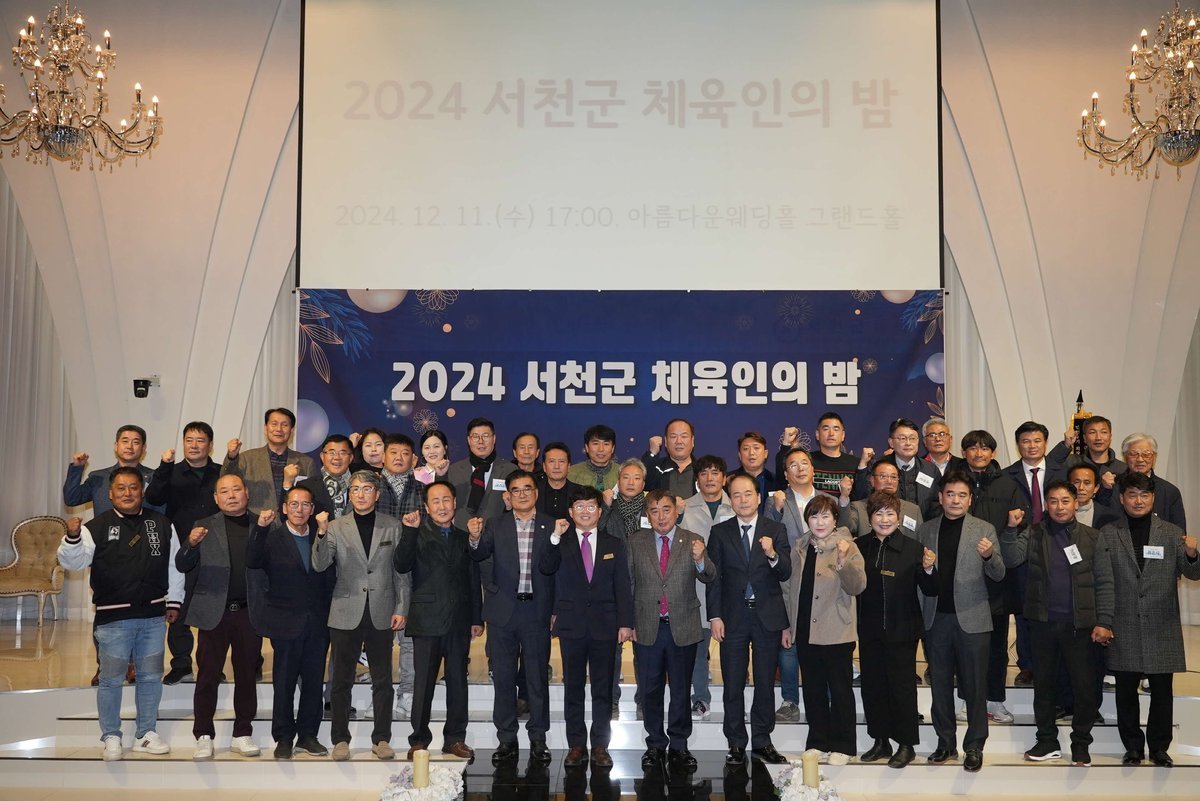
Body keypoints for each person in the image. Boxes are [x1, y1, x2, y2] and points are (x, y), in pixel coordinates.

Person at [58, 467, 183, 761]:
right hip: (113, 619)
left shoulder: (161, 523)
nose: (128, 493)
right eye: (121, 488)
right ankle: (111, 735)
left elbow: (175, 565)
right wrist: (72, 538)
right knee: (111, 679)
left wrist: (175, 601)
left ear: (142, 491)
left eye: (133, 488)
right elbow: (74, 564)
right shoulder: (96, 526)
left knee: (150, 677)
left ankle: (146, 733)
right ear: (111, 493)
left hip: (153, 617)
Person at [999, 480, 1114, 767]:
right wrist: (1011, 529)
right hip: (1043, 624)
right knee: (1044, 688)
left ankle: (1081, 743)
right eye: (1053, 501)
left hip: (1082, 626)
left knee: (1085, 688)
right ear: (1045, 505)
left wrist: (1104, 621)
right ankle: (1047, 740)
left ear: (1076, 503)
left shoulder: (1093, 537)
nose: (1059, 507)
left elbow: (1105, 582)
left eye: (1065, 500)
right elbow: (1011, 558)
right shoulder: (1033, 532)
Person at [1100, 471, 1200, 767]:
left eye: (1144, 495)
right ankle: (1132, 747)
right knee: (1126, 692)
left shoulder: (1171, 532)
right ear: (1122, 498)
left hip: (1162, 624)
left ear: (1153, 498)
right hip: (1124, 623)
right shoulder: (1109, 533)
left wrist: (1192, 553)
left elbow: (1193, 573)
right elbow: (1104, 580)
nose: (1138, 501)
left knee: (1162, 692)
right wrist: (1105, 620)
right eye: (1132, 495)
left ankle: (1159, 748)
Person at [312, 470, 408, 761]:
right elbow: (319, 564)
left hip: (382, 611)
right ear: (349, 494)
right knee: (341, 681)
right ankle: (340, 739)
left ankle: (382, 739)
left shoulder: (393, 526)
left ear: (377, 495)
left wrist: (401, 608)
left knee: (383, 681)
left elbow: (401, 573)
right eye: (355, 489)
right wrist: (320, 532)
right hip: (345, 611)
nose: (361, 494)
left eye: (367, 489)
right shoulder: (335, 527)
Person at [466, 470, 558, 767]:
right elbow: (479, 555)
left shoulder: (551, 525)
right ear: (508, 496)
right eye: (515, 490)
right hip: (503, 613)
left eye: (527, 488)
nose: (522, 494)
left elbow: (557, 571)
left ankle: (538, 738)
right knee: (503, 679)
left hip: (536, 612)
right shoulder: (495, 524)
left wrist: (554, 609)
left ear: (536, 493)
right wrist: (474, 537)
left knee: (536, 679)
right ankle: (506, 738)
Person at [916, 472, 1005, 773]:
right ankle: (945, 743)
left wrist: (989, 555)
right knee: (939, 684)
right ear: (941, 498)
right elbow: (919, 576)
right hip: (936, 618)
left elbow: (999, 574)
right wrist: (926, 570)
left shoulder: (984, 529)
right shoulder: (926, 530)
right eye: (950, 494)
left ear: (970, 499)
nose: (955, 500)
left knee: (976, 686)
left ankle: (975, 746)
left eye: (962, 495)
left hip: (974, 620)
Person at [540, 486, 634, 769]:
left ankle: (601, 745)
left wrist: (625, 622)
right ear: (571, 512)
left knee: (603, 689)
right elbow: (546, 569)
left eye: (591, 506)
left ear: (599, 511)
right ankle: (577, 745)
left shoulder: (613, 543)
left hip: (606, 625)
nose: (585, 511)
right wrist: (554, 537)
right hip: (572, 625)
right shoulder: (560, 541)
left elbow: (623, 585)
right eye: (579, 506)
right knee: (574, 688)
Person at [175, 474, 266, 759]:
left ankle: (242, 733)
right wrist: (190, 544)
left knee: (247, 675)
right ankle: (203, 734)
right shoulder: (203, 526)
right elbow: (182, 564)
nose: (231, 495)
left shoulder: (262, 524)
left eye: (236, 489)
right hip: (214, 612)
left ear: (246, 493)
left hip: (249, 613)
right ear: (216, 498)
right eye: (224, 491)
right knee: (208, 675)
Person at [707, 473, 792, 766]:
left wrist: (772, 554)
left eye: (748, 494)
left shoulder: (776, 529)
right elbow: (714, 578)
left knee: (765, 682)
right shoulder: (720, 532)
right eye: (736, 495)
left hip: (767, 616)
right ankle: (735, 742)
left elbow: (785, 572)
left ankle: (762, 740)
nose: (742, 500)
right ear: (730, 500)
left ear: (758, 497)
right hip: (733, 617)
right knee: (733, 683)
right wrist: (715, 616)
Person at [246, 487, 336, 759]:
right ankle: (283, 737)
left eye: (305, 504)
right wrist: (261, 529)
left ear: (312, 510)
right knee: (283, 683)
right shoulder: (272, 537)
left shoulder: (323, 536)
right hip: (285, 622)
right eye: (294, 504)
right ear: (284, 508)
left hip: (317, 622)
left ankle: (308, 735)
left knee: (313, 682)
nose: (299, 509)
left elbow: (330, 576)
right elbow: (252, 560)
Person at [628, 490, 715, 772]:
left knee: (680, 689)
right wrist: (628, 623)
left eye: (666, 510)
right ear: (647, 515)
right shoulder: (635, 541)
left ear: (676, 512)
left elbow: (709, 575)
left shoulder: (692, 539)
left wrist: (700, 559)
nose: (661, 516)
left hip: (683, 626)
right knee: (650, 689)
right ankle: (655, 744)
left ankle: (679, 745)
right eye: (654, 511)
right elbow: (628, 583)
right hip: (647, 627)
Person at [396, 482, 483, 762]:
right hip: (426, 621)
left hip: (458, 621)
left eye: (447, 499)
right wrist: (410, 532)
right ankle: (418, 740)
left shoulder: (464, 538)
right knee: (423, 684)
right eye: (436, 501)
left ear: (455, 503)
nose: (442, 506)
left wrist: (476, 617)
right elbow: (401, 564)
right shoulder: (415, 532)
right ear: (426, 506)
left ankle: (455, 739)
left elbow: (473, 580)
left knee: (458, 682)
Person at [854, 492, 937, 769]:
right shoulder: (859, 547)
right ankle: (880, 740)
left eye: (890, 513)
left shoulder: (914, 549)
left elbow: (931, 589)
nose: (884, 519)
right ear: (870, 518)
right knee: (873, 686)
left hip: (903, 629)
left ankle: (906, 744)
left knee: (902, 688)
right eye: (878, 514)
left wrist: (929, 569)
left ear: (899, 517)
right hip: (869, 629)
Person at [782, 494, 866, 765]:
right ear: (807, 520)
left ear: (835, 520)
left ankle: (844, 745)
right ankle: (818, 741)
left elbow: (857, 586)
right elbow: (789, 590)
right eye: (814, 516)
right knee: (813, 689)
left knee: (840, 690)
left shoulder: (847, 546)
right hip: (805, 630)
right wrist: (788, 625)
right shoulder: (800, 546)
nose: (819, 522)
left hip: (836, 631)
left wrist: (842, 560)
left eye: (825, 516)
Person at [146, 421, 221, 685]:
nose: (194, 445)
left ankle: (211, 666)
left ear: (210, 445)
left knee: (213, 609)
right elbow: (153, 497)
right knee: (179, 607)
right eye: (189, 440)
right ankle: (181, 664)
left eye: (200, 440)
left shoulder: (221, 473)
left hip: (215, 549)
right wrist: (164, 466)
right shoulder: (172, 471)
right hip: (180, 549)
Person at [960, 429, 1028, 719]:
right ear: (964, 452)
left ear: (993, 453)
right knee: (965, 643)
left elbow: (1021, 525)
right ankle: (967, 699)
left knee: (997, 643)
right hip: (962, 575)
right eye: (973, 448)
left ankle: (995, 699)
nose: (979, 453)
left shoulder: (1008, 485)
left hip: (997, 576)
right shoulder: (954, 481)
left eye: (985, 448)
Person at [1003, 422, 1065, 687]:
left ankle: (1057, 663)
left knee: (1058, 607)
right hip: (1022, 548)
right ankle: (1027, 665)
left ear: (1045, 443)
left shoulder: (1062, 472)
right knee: (1024, 609)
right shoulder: (1006, 476)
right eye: (1026, 441)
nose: (1031, 446)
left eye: (1037, 440)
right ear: (1018, 444)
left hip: (1058, 544)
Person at [764, 447, 820, 722]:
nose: (800, 468)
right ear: (786, 474)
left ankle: (821, 698)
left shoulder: (828, 500)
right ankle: (789, 701)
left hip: (823, 580)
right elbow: (766, 533)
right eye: (793, 465)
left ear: (813, 469)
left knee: (820, 642)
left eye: (804, 463)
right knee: (788, 642)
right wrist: (775, 510)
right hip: (788, 579)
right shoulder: (776, 500)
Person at [679, 455, 735, 723]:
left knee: (733, 651)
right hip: (697, 590)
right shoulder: (683, 508)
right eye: (704, 473)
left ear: (724, 478)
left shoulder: (737, 504)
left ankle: (734, 701)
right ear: (697, 479)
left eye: (715, 472)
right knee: (698, 651)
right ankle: (700, 699)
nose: (710, 478)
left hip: (733, 590)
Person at [601, 458, 647, 715]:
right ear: (618, 481)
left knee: (645, 648)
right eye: (626, 477)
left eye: (636, 478)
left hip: (645, 586)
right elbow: (595, 533)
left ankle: (645, 700)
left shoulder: (652, 508)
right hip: (612, 587)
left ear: (644, 483)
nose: (631, 482)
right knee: (612, 649)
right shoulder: (608, 507)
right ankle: (610, 700)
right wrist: (605, 507)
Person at [222, 408, 317, 513]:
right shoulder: (247, 458)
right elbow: (225, 481)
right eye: (274, 424)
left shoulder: (306, 463)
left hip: (293, 521)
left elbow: (312, 498)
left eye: (284, 425)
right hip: (256, 520)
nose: (279, 429)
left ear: (292, 430)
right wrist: (232, 457)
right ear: (265, 428)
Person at [854, 418, 941, 519]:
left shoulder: (930, 470)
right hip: (885, 524)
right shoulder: (879, 466)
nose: (908, 443)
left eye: (912, 438)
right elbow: (862, 497)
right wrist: (862, 467)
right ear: (891, 442)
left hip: (922, 526)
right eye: (902, 438)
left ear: (918, 441)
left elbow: (937, 505)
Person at [64, 424, 158, 515]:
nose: (129, 446)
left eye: (136, 442)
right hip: (105, 526)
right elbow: (72, 499)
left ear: (143, 448)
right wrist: (77, 468)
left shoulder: (155, 478)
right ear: (116, 446)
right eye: (125, 441)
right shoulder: (98, 477)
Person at [448, 417, 516, 529]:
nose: (480, 441)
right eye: (475, 436)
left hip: (497, 533)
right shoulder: (454, 470)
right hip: (462, 533)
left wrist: (509, 506)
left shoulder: (510, 470)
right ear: (469, 440)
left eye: (485, 436)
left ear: (494, 439)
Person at [782, 414, 863, 498]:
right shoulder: (807, 461)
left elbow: (862, 498)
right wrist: (786, 444)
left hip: (845, 506)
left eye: (836, 429)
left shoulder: (855, 464)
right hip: (810, 506)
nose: (831, 434)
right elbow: (783, 479)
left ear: (843, 435)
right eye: (826, 429)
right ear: (817, 434)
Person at [1119, 433, 1187, 529]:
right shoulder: (1113, 485)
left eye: (1146, 454)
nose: (1140, 459)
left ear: (1154, 457)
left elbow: (1179, 531)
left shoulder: (1169, 491)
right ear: (1125, 456)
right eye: (1134, 454)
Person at [843, 460, 923, 537]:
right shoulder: (859, 507)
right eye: (883, 476)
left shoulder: (913, 510)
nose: (889, 481)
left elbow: (921, 538)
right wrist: (844, 497)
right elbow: (845, 528)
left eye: (894, 477)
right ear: (872, 480)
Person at [1048, 415, 1126, 491]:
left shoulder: (1122, 468)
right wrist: (1066, 445)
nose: (1098, 438)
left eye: (1103, 432)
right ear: (1084, 438)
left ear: (1110, 436)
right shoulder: (1072, 462)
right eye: (1092, 432)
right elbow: (1049, 465)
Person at [297, 434, 354, 519]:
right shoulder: (306, 486)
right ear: (322, 457)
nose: (337, 457)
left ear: (351, 458)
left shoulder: (359, 486)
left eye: (342, 453)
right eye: (331, 453)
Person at [641, 418, 697, 498]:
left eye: (684, 436)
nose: (679, 441)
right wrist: (652, 453)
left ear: (692, 441)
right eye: (673, 437)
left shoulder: (701, 470)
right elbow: (641, 482)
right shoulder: (658, 468)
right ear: (666, 442)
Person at [728, 431, 779, 513]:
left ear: (765, 454)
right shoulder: (728, 481)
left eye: (756, 448)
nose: (751, 453)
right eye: (746, 449)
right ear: (740, 455)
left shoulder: (776, 481)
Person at [377, 433, 424, 519]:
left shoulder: (422, 488)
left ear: (412, 459)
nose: (398, 457)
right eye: (393, 452)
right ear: (383, 457)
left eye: (405, 453)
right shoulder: (373, 485)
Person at [536, 441, 587, 519]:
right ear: (544, 467)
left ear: (569, 466)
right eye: (552, 461)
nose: (556, 466)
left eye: (561, 461)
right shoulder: (533, 491)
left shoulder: (581, 492)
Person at [567, 424, 621, 493]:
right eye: (596, 443)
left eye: (606, 444)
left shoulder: (622, 473)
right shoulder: (571, 473)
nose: (601, 449)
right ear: (587, 447)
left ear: (613, 448)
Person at [1068, 463, 1120, 530]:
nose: (1081, 488)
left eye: (1087, 483)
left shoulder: (1109, 516)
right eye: (1076, 482)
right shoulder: (1058, 512)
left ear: (1096, 488)